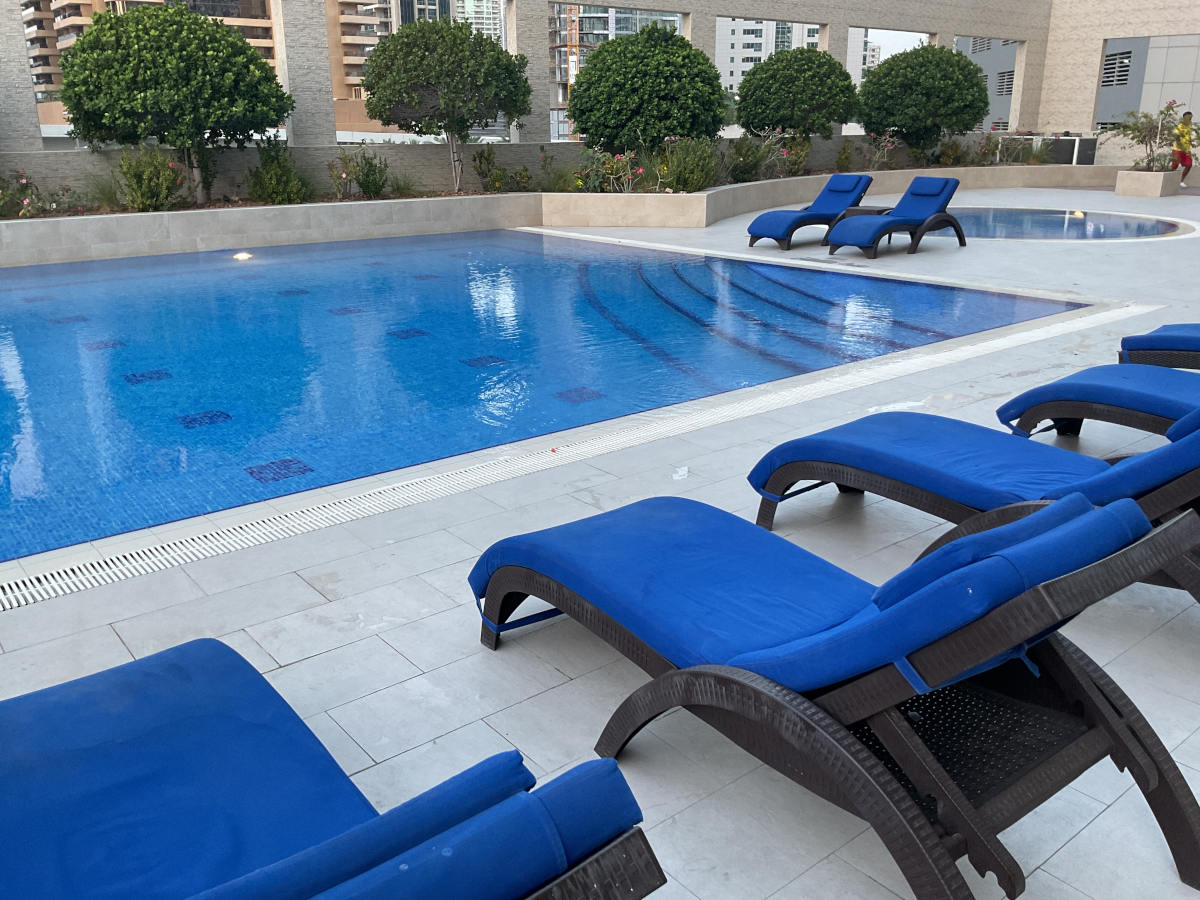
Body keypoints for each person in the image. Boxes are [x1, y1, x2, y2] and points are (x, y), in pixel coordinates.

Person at [1172, 111, 1194, 188]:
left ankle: (1181, 181)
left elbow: (1188, 135)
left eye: (1190, 117)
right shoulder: (1180, 126)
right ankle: (1170, 180)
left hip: (1187, 150)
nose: (1189, 119)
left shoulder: (1189, 126)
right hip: (1178, 149)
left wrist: (1191, 141)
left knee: (1189, 165)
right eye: (1188, 117)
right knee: (1174, 166)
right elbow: (1177, 137)